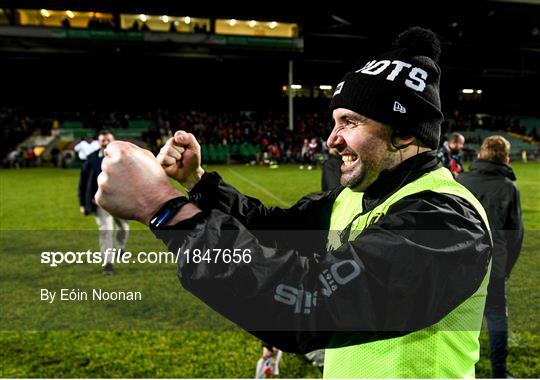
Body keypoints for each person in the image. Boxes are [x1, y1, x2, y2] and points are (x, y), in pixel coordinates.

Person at [95, 28, 492, 378]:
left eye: (350, 122)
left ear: (404, 133)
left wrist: (163, 206)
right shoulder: (354, 199)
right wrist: (197, 184)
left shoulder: (447, 222)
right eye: (334, 122)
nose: (332, 139)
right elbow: (269, 230)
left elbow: (307, 301)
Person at [457, 136, 524, 379]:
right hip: (494, 263)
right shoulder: (508, 187)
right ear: (505, 158)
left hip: (460, 262)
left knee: (458, 315)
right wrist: (505, 268)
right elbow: (516, 235)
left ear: (481, 154)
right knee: (496, 315)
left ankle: (459, 367)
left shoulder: (460, 180)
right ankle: (499, 373)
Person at [78, 130, 129, 275]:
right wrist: (83, 203)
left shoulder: (122, 158)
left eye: (108, 140)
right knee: (106, 231)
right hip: (99, 202)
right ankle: (108, 264)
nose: (105, 142)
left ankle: (120, 249)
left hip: (119, 201)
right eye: (102, 140)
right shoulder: (91, 159)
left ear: (113, 141)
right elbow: (82, 183)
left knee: (124, 228)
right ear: (98, 142)